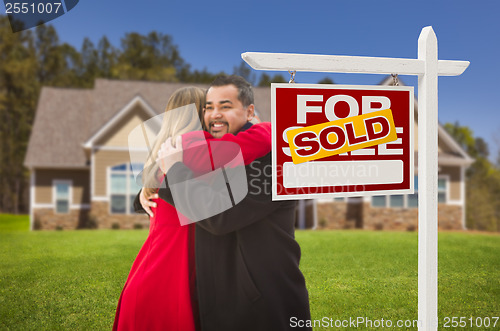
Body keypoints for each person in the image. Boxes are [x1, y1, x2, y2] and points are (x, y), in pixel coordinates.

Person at [151, 75, 312, 331]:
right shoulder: (213, 153)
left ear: (249, 111)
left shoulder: (273, 159)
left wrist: (174, 172)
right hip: (220, 301)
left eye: (225, 107)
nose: (215, 114)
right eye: (208, 107)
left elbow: (220, 217)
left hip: (262, 305)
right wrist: (147, 190)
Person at [112, 86, 272, 331]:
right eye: (211, 109)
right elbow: (255, 142)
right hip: (170, 283)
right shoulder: (194, 149)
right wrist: (262, 124)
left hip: (150, 275)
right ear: (201, 114)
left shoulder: (164, 154)